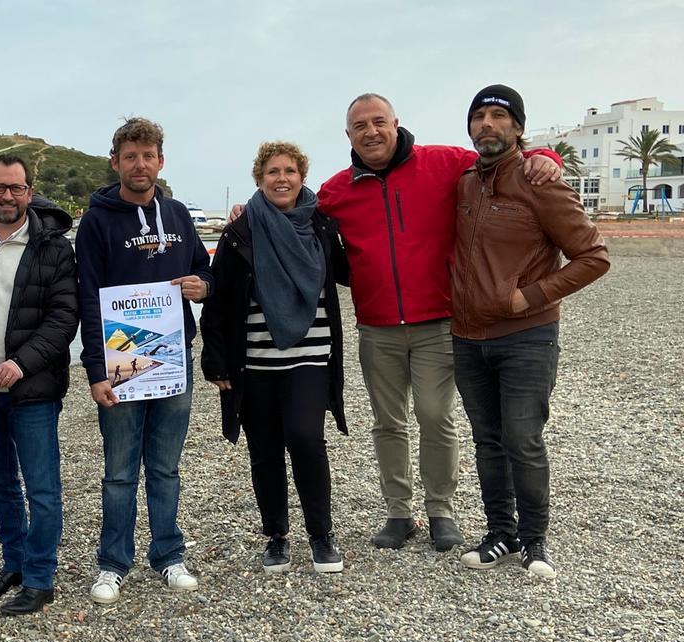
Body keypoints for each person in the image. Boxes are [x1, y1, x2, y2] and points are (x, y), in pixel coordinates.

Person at [232, 93, 562, 551]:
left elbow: (498, 160)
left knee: (434, 415)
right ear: (348, 136)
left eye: (378, 122)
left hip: (437, 321)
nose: (371, 132)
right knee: (388, 423)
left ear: (396, 124)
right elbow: (293, 211)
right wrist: (247, 215)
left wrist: (544, 155)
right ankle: (398, 511)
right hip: (377, 325)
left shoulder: (443, 163)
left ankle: (441, 510)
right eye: (360, 126)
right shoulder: (336, 190)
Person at [452, 85, 609, 579]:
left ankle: (535, 539)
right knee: (487, 440)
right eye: (479, 117)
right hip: (467, 336)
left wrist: (532, 296)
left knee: (523, 438)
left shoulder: (541, 181)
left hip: (526, 337)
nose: (487, 125)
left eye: (499, 116)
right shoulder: (465, 184)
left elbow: (593, 257)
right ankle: (500, 531)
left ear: (518, 128)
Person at [76, 117, 214, 604]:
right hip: (120, 366)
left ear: (161, 160)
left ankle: (169, 555)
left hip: (175, 360)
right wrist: (95, 371)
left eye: (148, 155)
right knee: (118, 471)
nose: (140, 164)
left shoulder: (177, 214)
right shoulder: (96, 222)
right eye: (130, 156)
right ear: (116, 163)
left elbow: (203, 267)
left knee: (165, 467)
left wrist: (204, 286)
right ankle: (113, 563)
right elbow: (87, 298)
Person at [201, 142, 348, 574]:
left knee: (305, 438)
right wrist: (217, 360)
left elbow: (350, 270)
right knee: (264, 450)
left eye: (289, 170)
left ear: (302, 176)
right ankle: (277, 536)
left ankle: (321, 534)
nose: (281, 178)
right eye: (271, 171)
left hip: (310, 354)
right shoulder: (240, 231)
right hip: (256, 360)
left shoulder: (321, 225)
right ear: (259, 179)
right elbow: (220, 297)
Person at [0, 154, 78, 615]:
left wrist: (21, 363)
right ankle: (15, 563)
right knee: (0, 483)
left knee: (42, 489)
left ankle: (40, 577)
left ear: (30, 192)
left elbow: (65, 318)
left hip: (33, 388)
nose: (7, 197)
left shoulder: (55, 247)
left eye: (16, 188)